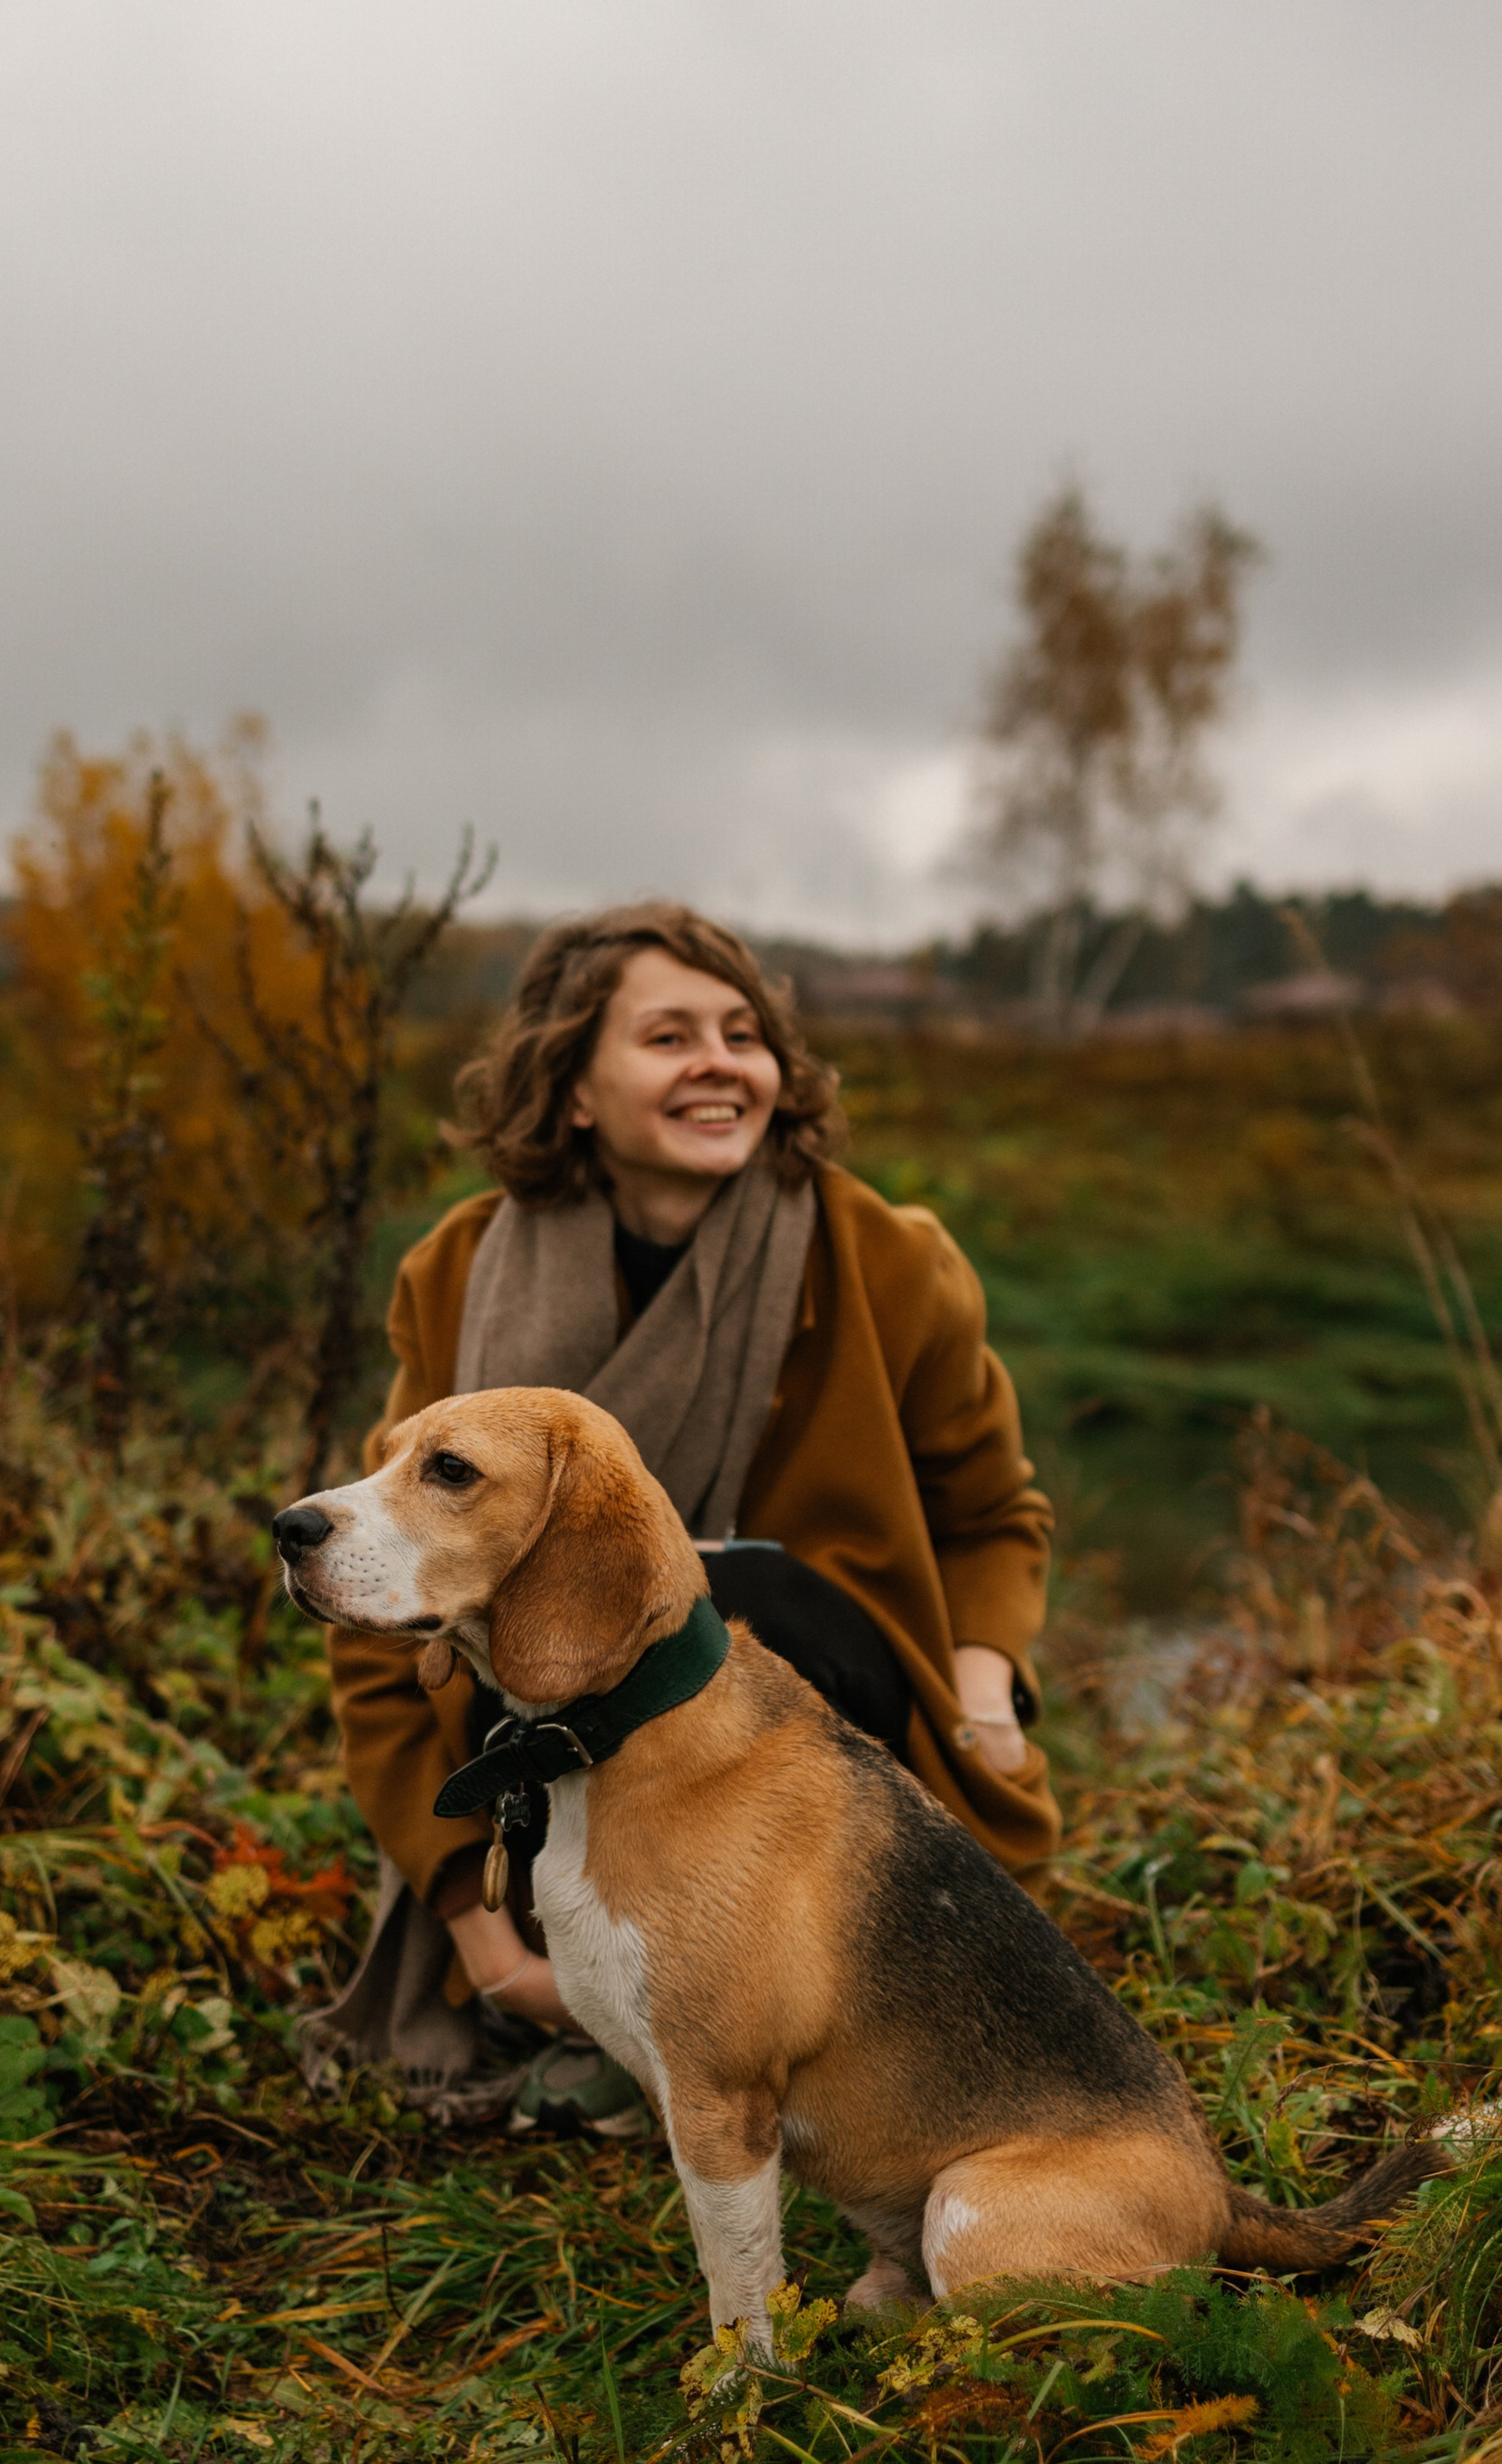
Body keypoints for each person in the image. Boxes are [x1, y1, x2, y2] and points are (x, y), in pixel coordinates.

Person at [314, 900, 1056, 2126]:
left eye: (744, 1033)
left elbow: (994, 1515)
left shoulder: (888, 1261)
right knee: (518, 1605)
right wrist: (481, 1941)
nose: (723, 1061)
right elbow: (392, 1590)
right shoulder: (456, 1271)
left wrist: (984, 1693)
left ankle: (742, 1999)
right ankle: (573, 1963)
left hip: (824, 1736)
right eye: (670, 1036)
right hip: (532, 1739)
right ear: (575, 1088)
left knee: (726, 1585)